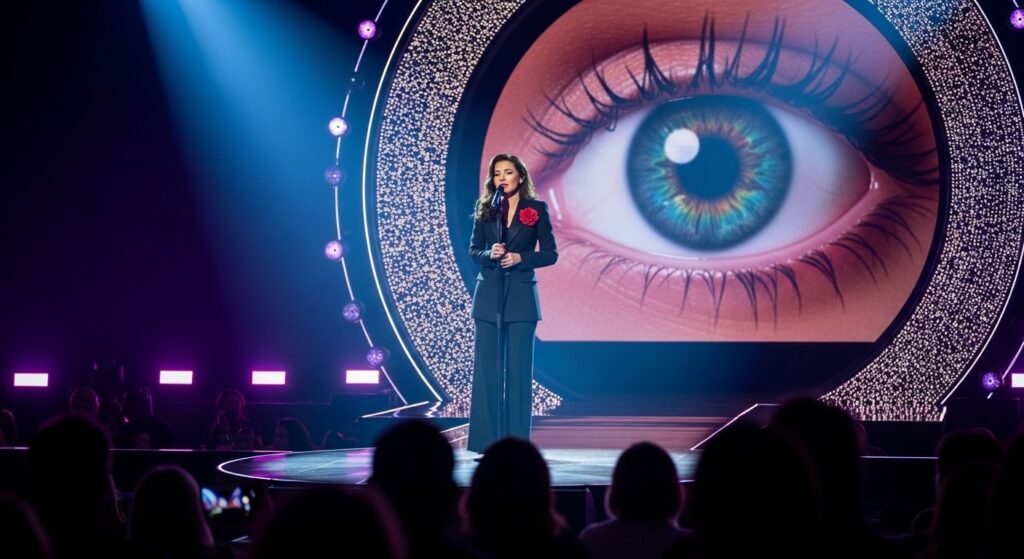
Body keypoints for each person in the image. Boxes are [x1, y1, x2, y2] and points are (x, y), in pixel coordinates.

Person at [466, 153, 558, 453]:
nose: (502, 178)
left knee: (518, 374)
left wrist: (521, 258)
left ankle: (517, 446)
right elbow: (473, 251)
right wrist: (488, 254)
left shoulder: (536, 209)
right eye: (496, 174)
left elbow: (550, 254)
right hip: (488, 296)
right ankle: (486, 445)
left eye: (507, 172)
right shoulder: (485, 210)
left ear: (520, 176)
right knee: (487, 374)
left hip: (521, 299)